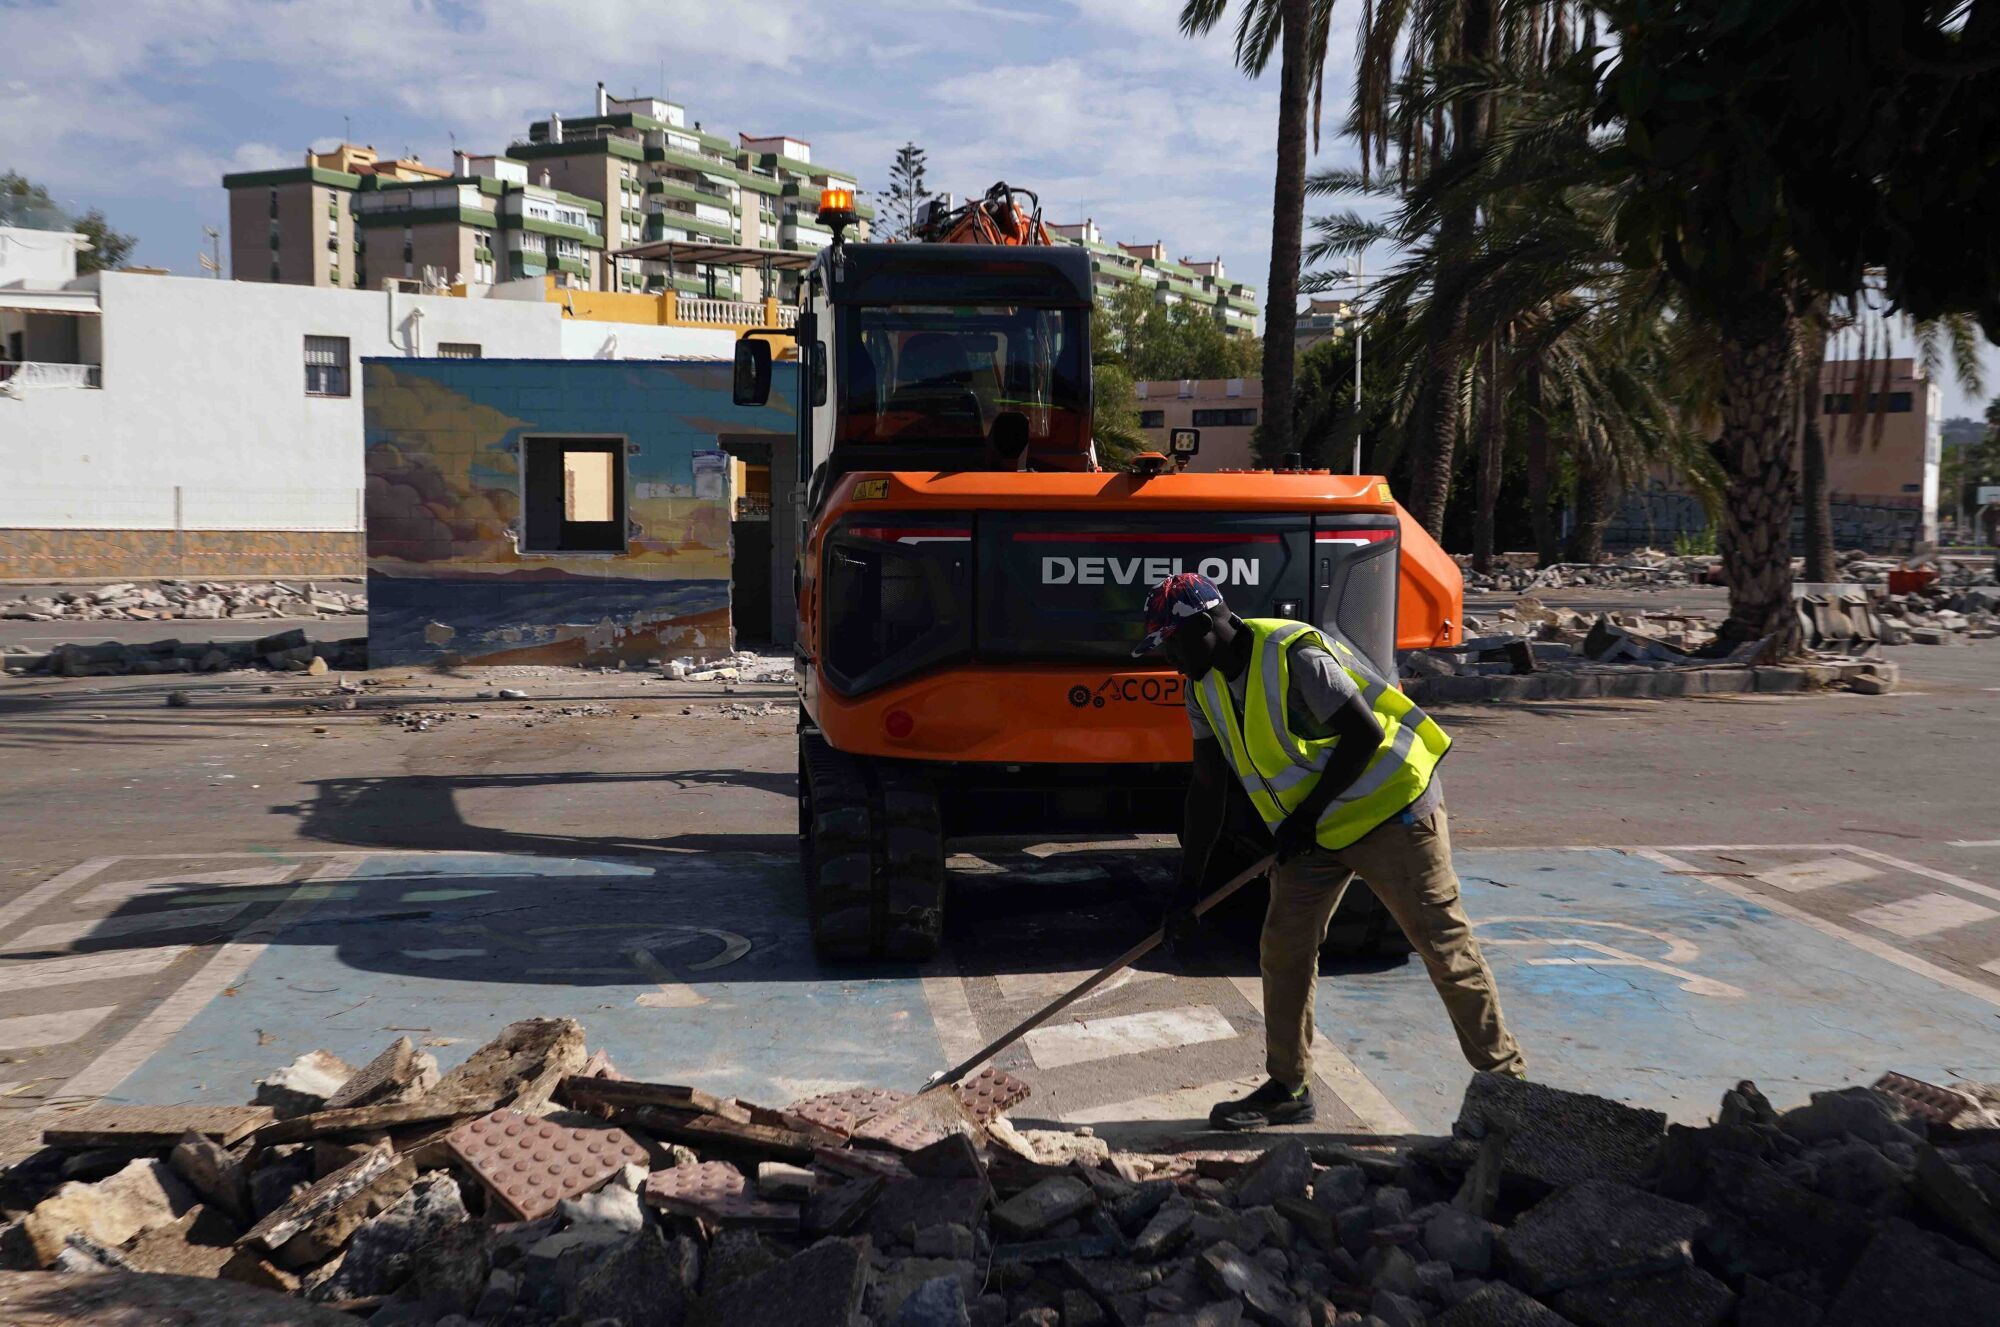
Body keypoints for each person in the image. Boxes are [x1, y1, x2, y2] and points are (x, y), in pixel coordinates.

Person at [1136, 572, 1526, 1131]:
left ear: (1201, 627)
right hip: (1316, 832)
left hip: (1391, 812)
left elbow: (1363, 733)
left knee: (1444, 948)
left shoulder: (1292, 654)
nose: (1169, 662)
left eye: (1169, 645)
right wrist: (1186, 890)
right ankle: (1288, 1088)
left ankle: (1509, 1089)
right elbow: (1206, 790)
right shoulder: (1202, 687)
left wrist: (1305, 819)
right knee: (1283, 948)